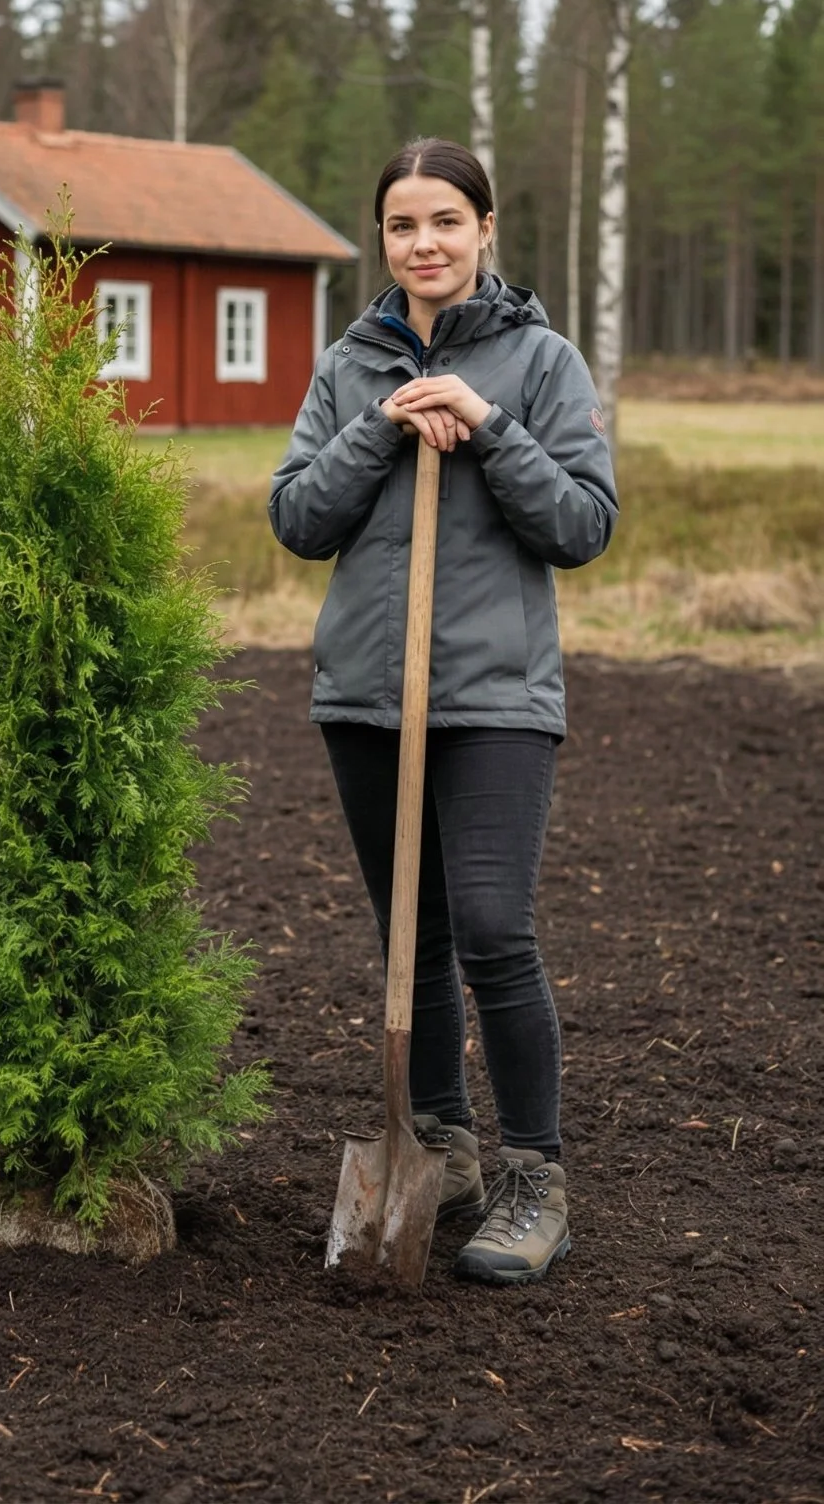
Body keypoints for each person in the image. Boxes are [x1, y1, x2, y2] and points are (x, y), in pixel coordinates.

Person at [268, 137, 618, 1284]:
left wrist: (489, 422)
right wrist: (379, 427)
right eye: (403, 225)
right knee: (407, 934)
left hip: (496, 697)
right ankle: (439, 1146)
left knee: (494, 930)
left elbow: (580, 524)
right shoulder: (346, 364)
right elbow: (297, 519)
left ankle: (533, 1176)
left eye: (445, 222)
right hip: (365, 696)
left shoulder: (542, 360)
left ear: (485, 229)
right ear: (383, 239)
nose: (424, 243)